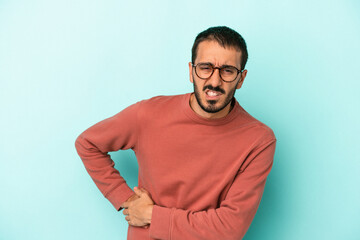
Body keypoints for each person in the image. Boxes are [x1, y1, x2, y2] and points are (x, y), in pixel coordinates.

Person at [75, 26, 277, 240]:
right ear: (191, 71)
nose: (215, 81)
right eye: (206, 67)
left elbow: (229, 229)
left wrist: (152, 215)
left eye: (227, 70)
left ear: (241, 78)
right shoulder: (149, 114)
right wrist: (125, 199)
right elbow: (88, 143)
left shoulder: (258, 140)